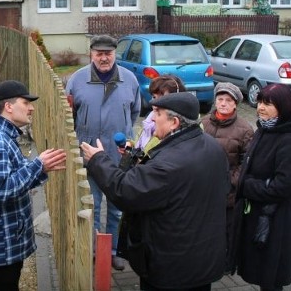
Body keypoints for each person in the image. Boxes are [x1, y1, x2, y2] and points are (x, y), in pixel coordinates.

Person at [81, 92, 228, 290]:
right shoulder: (212, 146)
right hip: (202, 259)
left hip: (172, 265)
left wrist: (98, 159)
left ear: (174, 122)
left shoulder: (169, 163)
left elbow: (125, 191)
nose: (151, 118)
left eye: (157, 114)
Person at [0, 80, 67, 291]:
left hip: (1, 243)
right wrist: (37, 166)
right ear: (8, 106)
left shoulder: (1, 134)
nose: (31, 108)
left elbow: (13, 176)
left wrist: (40, 169)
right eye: (26, 102)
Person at [65, 34, 140, 271]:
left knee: (117, 210)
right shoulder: (77, 80)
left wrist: (123, 134)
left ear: (114, 54)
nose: (104, 58)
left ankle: (114, 251)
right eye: (99, 53)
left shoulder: (129, 80)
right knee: (93, 207)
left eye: (108, 53)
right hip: (90, 156)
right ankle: (96, 252)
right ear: (91, 54)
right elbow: (70, 116)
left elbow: (135, 111)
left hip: (119, 158)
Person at [230, 84, 291, 290]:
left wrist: (246, 185)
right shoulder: (265, 128)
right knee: (260, 270)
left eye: (268, 103)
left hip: (276, 220)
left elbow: (283, 186)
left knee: (271, 276)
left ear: (283, 106)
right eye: (259, 102)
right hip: (258, 214)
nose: (260, 107)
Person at [200, 82, 254, 249]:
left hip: (227, 190)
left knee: (225, 228)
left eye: (229, 100)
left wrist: (230, 181)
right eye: (220, 99)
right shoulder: (203, 123)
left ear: (235, 104)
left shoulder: (245, 129)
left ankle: (225, 260)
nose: (223, 103)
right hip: (203, 186)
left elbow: (246, 162)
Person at [134, 74, 186, 154]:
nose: (156, 103)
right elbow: (141, 140)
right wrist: (131, 145)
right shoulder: (150, 117)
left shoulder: (179, 128)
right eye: (154, 97)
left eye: (163, 99)